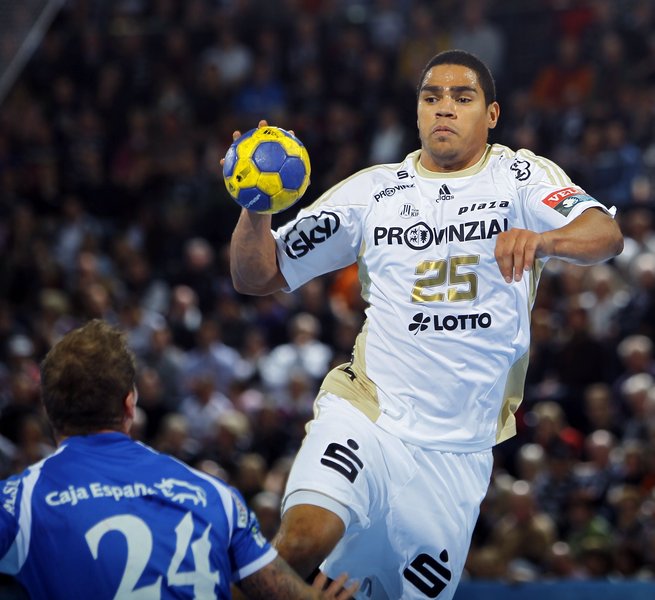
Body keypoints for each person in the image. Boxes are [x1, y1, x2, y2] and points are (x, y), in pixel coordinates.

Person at [227, 49, 624, 599]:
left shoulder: (520, 177)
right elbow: (257, 275)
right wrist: (256, 203)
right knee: (302, 539)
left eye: (462, 97)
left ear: (491, 114)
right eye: (432, 97)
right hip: (368, 413)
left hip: (458, 451)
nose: (445, 108)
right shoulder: (372, 192)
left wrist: (543, 240)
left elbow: (605, 234)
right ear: (417, 112)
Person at [0, 319, 357, 600]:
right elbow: (285, 594)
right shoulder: (215, 495)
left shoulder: (17, 502)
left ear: (47, 409)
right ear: (130, 404)